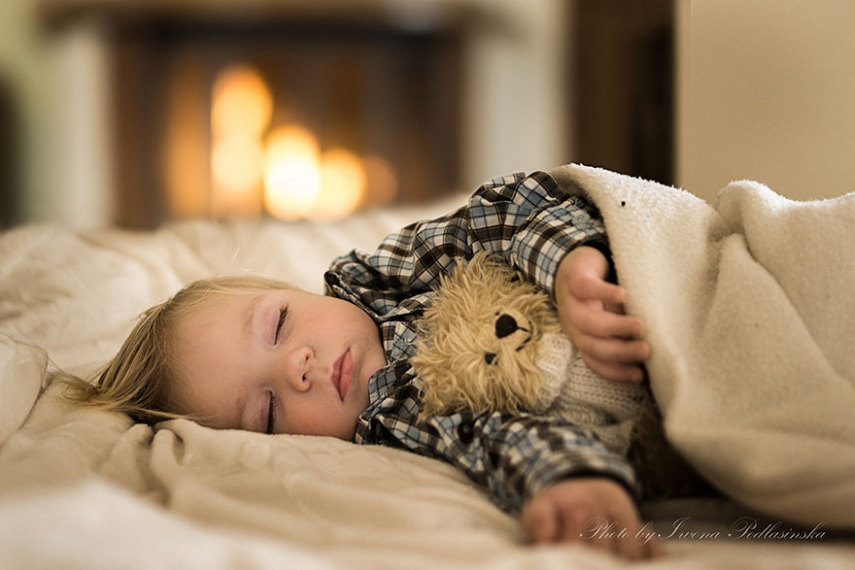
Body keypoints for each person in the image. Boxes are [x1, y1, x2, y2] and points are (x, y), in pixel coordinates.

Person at [71, 170, 666, 560]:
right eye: (269, 410)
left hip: (646, 282)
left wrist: (566, 266)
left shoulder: (380, 277)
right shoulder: (393, 420)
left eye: (278, 324)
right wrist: (569, 478)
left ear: (295, 289)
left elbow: (501, 213)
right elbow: (496, 436)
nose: (298, 369)